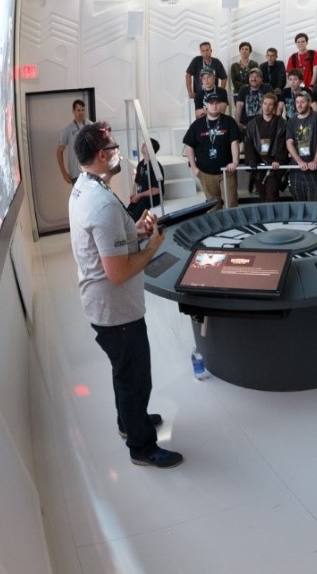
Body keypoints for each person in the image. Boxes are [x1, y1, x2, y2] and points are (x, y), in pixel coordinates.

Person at [69, 123, 183, 469]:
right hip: (116, 312)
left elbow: (108, 240)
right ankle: (142, 447)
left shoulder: (85, 187)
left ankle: (129, 421)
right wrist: (152, 247)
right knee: (135, 377)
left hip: (107, 309)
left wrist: (134, 232)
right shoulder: (100, 205)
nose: (119, 152)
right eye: (114, 148)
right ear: (102, 156)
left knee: (125, 373)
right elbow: (117, 272)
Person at [182, 89, 241, 210]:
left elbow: (234, 142)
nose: (214, 106)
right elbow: (189, 146)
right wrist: (194, 168)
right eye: (211, 103)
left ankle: (234, 229)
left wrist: (235, 162)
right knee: (213, 206)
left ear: (221, 105)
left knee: (231, 204)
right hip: (205, 173)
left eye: (217, 103)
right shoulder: (197, 125)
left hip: (226, 171)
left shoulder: (229, 121)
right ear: (206, 105)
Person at [285, 90, 317, 201]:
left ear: (309, 103)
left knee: (315, 202)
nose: (299, 105)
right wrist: (299, 161)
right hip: (297, 168)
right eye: (297, 102)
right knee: (299, 203)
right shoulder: (291, 121)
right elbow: (289, 143)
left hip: (313, 168)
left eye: (302, 102)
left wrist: (316, 160)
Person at [242, 92, 286, 202]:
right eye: (265, 103)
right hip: (258, 165)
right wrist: (251, 160)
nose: (267, 107)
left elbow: (283, 144)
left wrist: (278, 160)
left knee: (271, 195)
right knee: (262, 196)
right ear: (261, 105)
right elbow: (248, 143)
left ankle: (275, 219)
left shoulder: (281, 123)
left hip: (273, 165)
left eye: (270, 104)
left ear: (275, 107)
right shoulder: (252, 124)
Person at [126, 138, 163, 221]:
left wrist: (139, 196)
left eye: (146, 144)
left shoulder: (155, 166)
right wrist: (133, 194)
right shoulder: (141, 164)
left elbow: (157, 190)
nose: (142, 144)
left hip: (151, 197)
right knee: (127, 213)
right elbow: (136, 182)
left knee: (134, 217)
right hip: (141, 196)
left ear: (151, 149)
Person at [57, 99, 91, 185]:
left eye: (83, 110)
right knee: (80, 198)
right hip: (76, 174)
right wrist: (64, 173)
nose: (81, 113)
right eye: (78, 110)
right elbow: (59, 152)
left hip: (91, 171)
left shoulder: (90, 125)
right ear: (73, 111)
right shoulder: (68, 130)